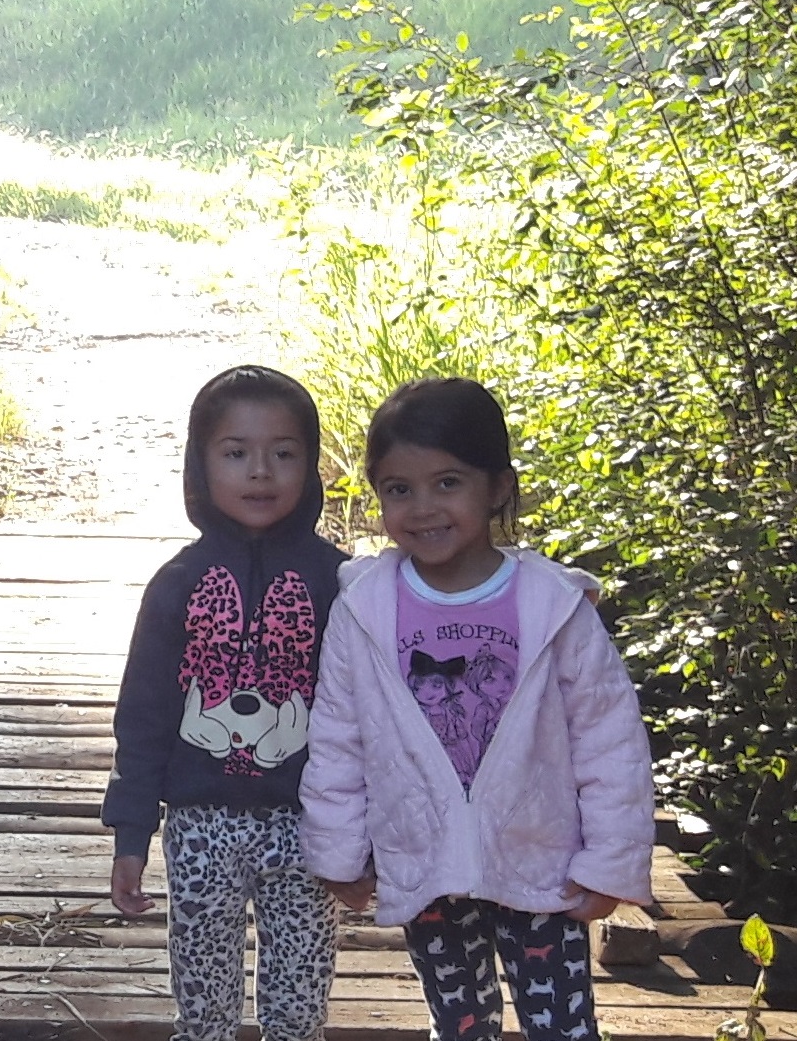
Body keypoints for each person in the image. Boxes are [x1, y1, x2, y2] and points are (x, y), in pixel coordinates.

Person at [302, 378, 655, 1041]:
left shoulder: (552, 604)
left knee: (563, 1027)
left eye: (447, 483)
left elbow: (608, 740)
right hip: (424, 859)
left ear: (497, 488)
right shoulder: (364, 608)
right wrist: (338, 849)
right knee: (460, 1025)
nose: (422, 508)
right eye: (398, 488)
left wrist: (609, 859)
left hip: (541, 863)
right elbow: (338, 737)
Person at [102, 365, 348, 1041]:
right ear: (200, 464)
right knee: (203, 1005)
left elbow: (367, 713)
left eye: (283, 452)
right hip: (198, 824)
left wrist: (366, 829)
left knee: (299, 1008)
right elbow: (143, 715)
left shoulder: (338, 581)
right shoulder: (177, 583)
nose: (260, 471)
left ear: (310, 463)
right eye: (236, 452)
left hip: (308, 823)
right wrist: (130, 834)